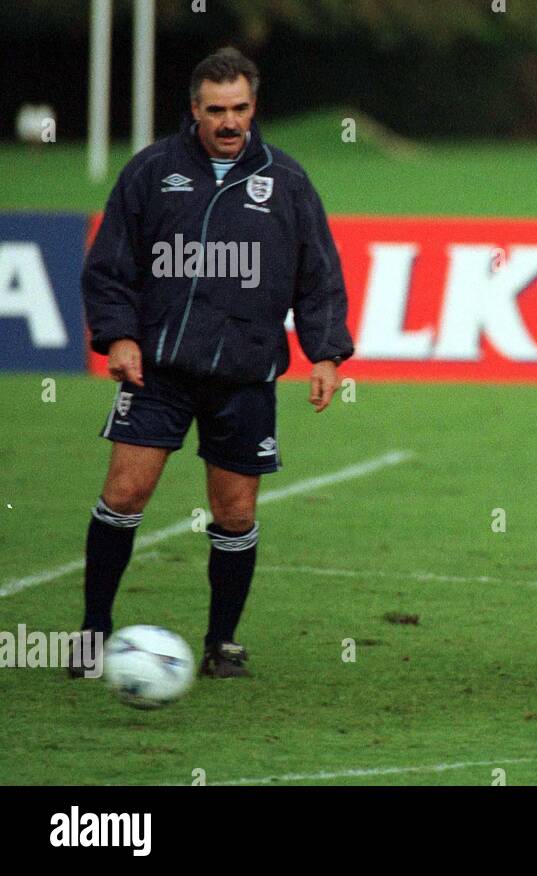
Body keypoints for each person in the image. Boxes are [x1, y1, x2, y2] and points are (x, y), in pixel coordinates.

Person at [77, 47, 353, 678]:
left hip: (245, 374)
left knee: (235, 514)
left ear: (254, 108)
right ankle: (93, 631)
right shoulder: (151, 172)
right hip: (159, 370)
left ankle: (221, 642)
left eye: (240, 110)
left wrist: (327, 352)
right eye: (216, 111)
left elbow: (319, 276)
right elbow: (110, 266)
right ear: (194, 110)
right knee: (123, 494)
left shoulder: (286, 181)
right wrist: (118, 336)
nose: (230, 123)